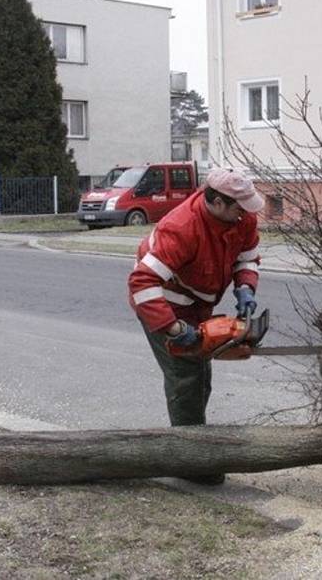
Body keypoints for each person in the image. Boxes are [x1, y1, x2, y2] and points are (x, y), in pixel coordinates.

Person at [128, 168, 264, 484]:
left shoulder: (242, 218)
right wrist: (173, 328)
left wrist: (245, 286)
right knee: (185, 377)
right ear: (215, 202)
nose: (245, 214)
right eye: (238, 207)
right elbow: (142, 282)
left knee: (200, 375)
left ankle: (193, 441)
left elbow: (247, 257)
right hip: (163, 303)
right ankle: (189, 460)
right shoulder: (182, 228)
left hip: (198, 303)